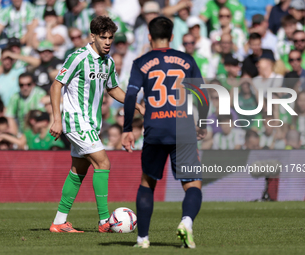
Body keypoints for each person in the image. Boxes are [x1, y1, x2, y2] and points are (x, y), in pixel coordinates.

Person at [49, 16, 144, 233]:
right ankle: (104, 222)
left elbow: (113, 89)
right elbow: (56, 86)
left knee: (78, 171)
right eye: (103, 37)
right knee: (103, 163)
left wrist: (135, 104)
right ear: (93, 36)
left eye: (111, 37)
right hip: (75, 121)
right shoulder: (78, 57)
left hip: (91, 124)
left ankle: (59, 222)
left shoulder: (108, 62)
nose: (108, 42)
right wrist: (56, 118)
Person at [122, 16, 209, 248]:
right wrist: (202, 124)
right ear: (172, 37)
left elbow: (130, 96)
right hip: (183, 128)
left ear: (149, 37)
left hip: (155, 128)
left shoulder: (140, 62)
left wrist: (127, 129)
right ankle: (187, 222)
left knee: (147, 182)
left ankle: (142, 239)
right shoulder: (187, 60)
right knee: (193, 184)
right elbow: (202, 94)